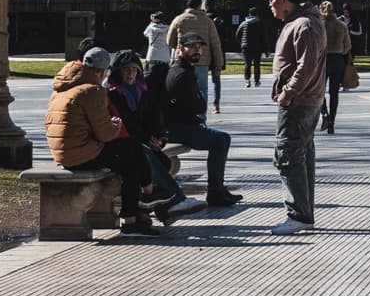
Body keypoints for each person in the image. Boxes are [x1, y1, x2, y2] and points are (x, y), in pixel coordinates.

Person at [44, 48, 159, 236]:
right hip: (81, 154)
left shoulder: (62, 86)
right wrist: (115, 125)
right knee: (131, 156)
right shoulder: (93, 91)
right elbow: (106, 135)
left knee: (130, 152)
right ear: (103, 71)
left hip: (64, 152)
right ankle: (136, 211)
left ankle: (144, 199)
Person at [107, 50, 204, 221]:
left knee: (162, 161)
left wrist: (159, 137)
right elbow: (127, 124)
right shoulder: (112, 93)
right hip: (120, 144)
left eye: (134, 70)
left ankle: (161, 209)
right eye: (126, 70)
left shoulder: (141, 90)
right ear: (118, 71)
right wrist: (146, 140)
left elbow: (152, 117)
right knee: (147, 160)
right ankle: (173, 202)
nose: (130, 74)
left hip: (139, 141)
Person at [268, 0, 326, 233]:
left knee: (289, 154)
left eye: (271, 0)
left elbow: (307, 64)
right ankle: (304, 213)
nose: (270, 5)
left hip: (299, 101)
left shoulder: (304, 25)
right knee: (300, 156)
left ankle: (299, 214)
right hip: (304, 99)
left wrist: (288, 92)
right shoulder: (300, 22)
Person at [163, 31, 241, 208]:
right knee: (219, 140)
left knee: (223, 138)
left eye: (198, 47)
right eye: (191, 47)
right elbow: (196, 106)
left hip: (183, 124)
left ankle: (217, 189)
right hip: (177, 128)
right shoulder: (181, 73)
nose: (196, 51)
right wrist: (198, 105)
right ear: (181, 48)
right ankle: (215, 191)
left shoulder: (185, 69)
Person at [167, 0, 225, 121]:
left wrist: (178, 48)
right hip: (202, 60)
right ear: (200, 5)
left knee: (183, 88)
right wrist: (218, 64)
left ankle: (184, 117)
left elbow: (169, 40)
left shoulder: (179, 19)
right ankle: (201, 118)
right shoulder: (207, 21)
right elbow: (215, 43)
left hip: (183, 59)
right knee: (202, 90)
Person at [319, 1, 354, 132]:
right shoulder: (341, 25)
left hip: (323, 60)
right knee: (334, 93)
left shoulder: (319, 25)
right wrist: (341, 51)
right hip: (338, 59)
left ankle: (324, 114)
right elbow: (348, 46)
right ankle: (332, 121)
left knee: (319, 91)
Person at [238, 10, 268, 86]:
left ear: (249, 14)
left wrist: (242, 42)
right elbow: (263, 37)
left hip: (245, 47)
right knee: (256, 64)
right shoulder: (259, 23)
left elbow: (237, 34)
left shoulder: (244, 23)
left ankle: (247, 80)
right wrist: (265, 49)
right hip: (257, 47)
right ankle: (256, 80)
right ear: (257, 14)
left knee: (247, 64)